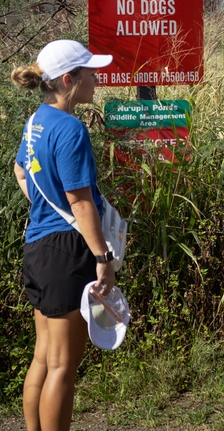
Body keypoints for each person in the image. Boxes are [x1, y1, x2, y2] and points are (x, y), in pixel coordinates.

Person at [13, 39, 114, 431]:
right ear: (69, 79)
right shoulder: (71, 129)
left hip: (39, 249)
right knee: (63, 367)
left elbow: (22, 171)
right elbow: (81, 203)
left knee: (43, 357)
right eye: (90, 73)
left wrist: (43, 202)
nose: (96, 79)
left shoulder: (36, 120)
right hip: (67, 253)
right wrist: (103, 259)